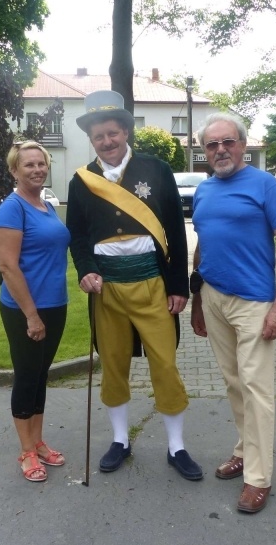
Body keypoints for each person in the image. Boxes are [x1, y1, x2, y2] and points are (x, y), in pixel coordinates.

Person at [66, 90, 202, 481]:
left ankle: (176, 447)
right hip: (106, 290)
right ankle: (120, 440)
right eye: (98, 136)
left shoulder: (156, 169)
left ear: (125, 131)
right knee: (113, 365)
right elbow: (77, 235)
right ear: (91, 140)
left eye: (113, 133)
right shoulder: (81, 181)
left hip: (152, 284)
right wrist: (85, 270)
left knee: (165, 365)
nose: (107, 141)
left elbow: (175, 230)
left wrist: (178, 286)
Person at [190, 112, 276, 513]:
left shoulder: (264, 184)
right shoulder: (204, 190)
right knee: (235, 383)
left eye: (228, 142)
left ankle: (258, 477)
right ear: (204, 151)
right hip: (213, 296)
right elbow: (203, 244)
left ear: (242, 145)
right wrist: (198, 299)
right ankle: (243, 449)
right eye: (212, 144)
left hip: (254, 301)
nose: (220, 150)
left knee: (256, 388)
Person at [0, 140, 71, 483]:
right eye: (29, 165)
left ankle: (38, 442)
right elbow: (7, 266)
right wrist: (31, 315)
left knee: (41, 374)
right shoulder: (12, 208)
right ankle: (26, 450)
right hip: (25, 309)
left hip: (55, 304)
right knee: (27, 375)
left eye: (41, 164)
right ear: (15, 170)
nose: (37, 169)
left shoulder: (46, 205)